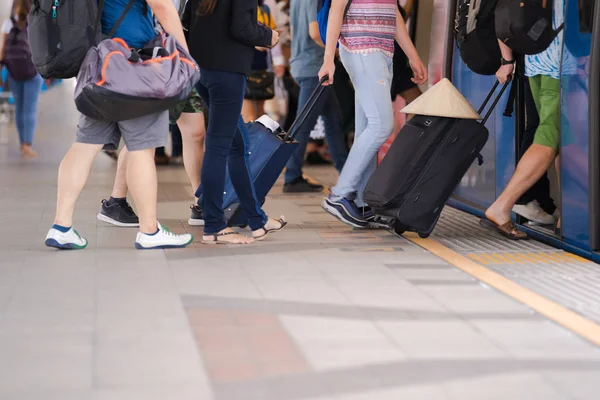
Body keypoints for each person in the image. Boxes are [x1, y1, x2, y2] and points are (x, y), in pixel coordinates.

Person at [45, 0, 194, 250]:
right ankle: (149, 230)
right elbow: (162, 5)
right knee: (142, 148)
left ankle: (62, 226)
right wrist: (185, 56)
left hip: (100, 63)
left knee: (84, 145)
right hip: (134, 63)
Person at [97, 0, 208, 228]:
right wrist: (187, 57)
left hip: (174, 58)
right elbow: (162, 7)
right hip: (159, 59)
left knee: (195, 132)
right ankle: (116, 201)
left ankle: (201, 202)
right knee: (142, 135)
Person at [319, 0, 427, 228]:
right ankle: (339, 195)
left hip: (382, 53)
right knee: (381, 125)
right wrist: (328, 58)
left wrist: (413, 55)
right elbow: (336, 8)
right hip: (362, 50)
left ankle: (361, 202)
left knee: (366, 129)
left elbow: (393, 12)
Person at [187, 0, 287, 244]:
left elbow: (187, 22)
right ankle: (213, 227)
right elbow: (242, 27)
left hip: (202, 68)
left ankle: (256, 219)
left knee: (237, 145)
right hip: (227, 71)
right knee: (219, 147)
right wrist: (269, 35)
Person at [482, 0, 575, 239]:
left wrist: (507, 60)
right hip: (561, 62)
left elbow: (504, 14)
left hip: (536, 60)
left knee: (563, 136)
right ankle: (502, 205)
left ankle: (568, 216)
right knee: (550, 134)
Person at [284, 0, 348, 193]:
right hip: (314, 66)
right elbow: (314, 32)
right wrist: (336, 51)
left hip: (303, 63)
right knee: (304, 125)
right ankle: (292, 176)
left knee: (333, 122)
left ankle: (346, 173)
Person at [0, 0, 43, 158]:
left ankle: (21, 143)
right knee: (30, 108)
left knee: (19, 107)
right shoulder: (36, 20)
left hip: (14, 71)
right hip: (33, 71)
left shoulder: (8, 23)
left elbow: (2, 50)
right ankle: (27, 144)